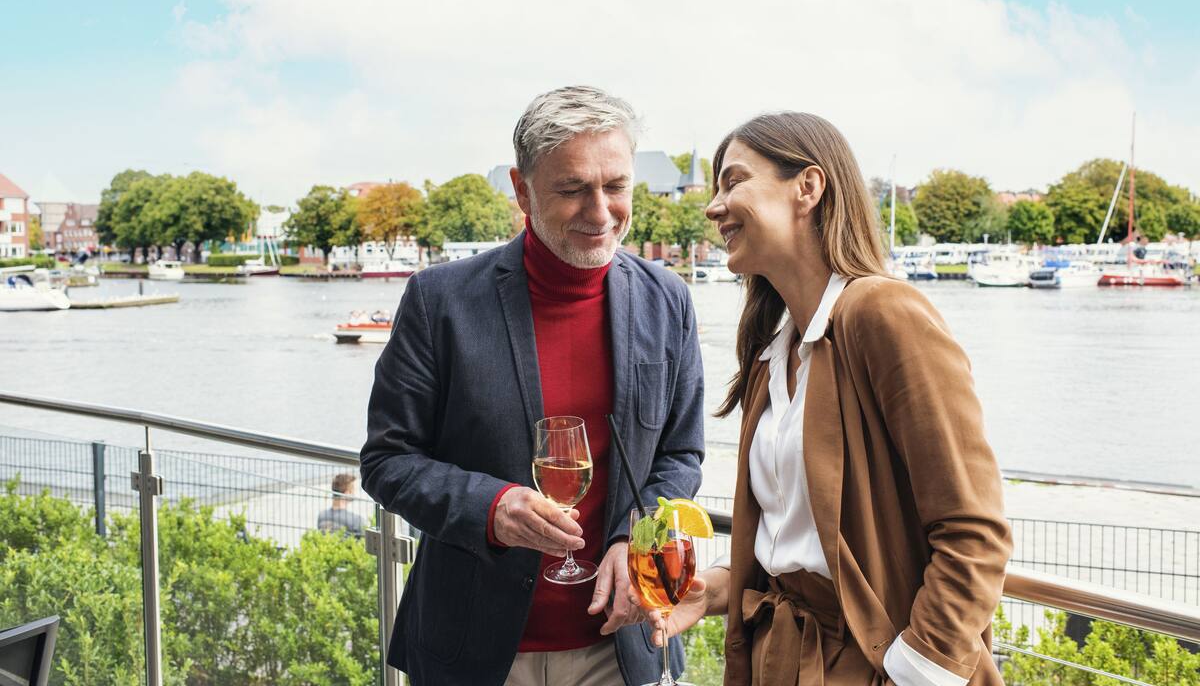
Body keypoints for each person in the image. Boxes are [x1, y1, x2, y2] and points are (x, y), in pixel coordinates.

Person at [648, 112, 1012, 685]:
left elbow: (975, 530)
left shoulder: (883, 313)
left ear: (808, 187)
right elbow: (791, 537)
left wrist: (916, 669)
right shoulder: (774, 353)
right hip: (781, 659)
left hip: (869, 663)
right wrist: (715, 589)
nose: (714, 207)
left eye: (734, 181)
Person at [360, 85, 705, 686]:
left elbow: (681, 454)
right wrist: (491, 508)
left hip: (623, 647)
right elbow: (387, 461)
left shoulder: (668, 298)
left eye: (616, 186)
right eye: (572, 189)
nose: (600, 212)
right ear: (522, 190)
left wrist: (634, 538)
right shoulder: (438, 300)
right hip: (475, 651)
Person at [317, 472, 367, 539]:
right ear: (347, 493)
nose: (354, 494)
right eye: (352, 491)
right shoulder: (357, 520)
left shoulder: (322, 516)